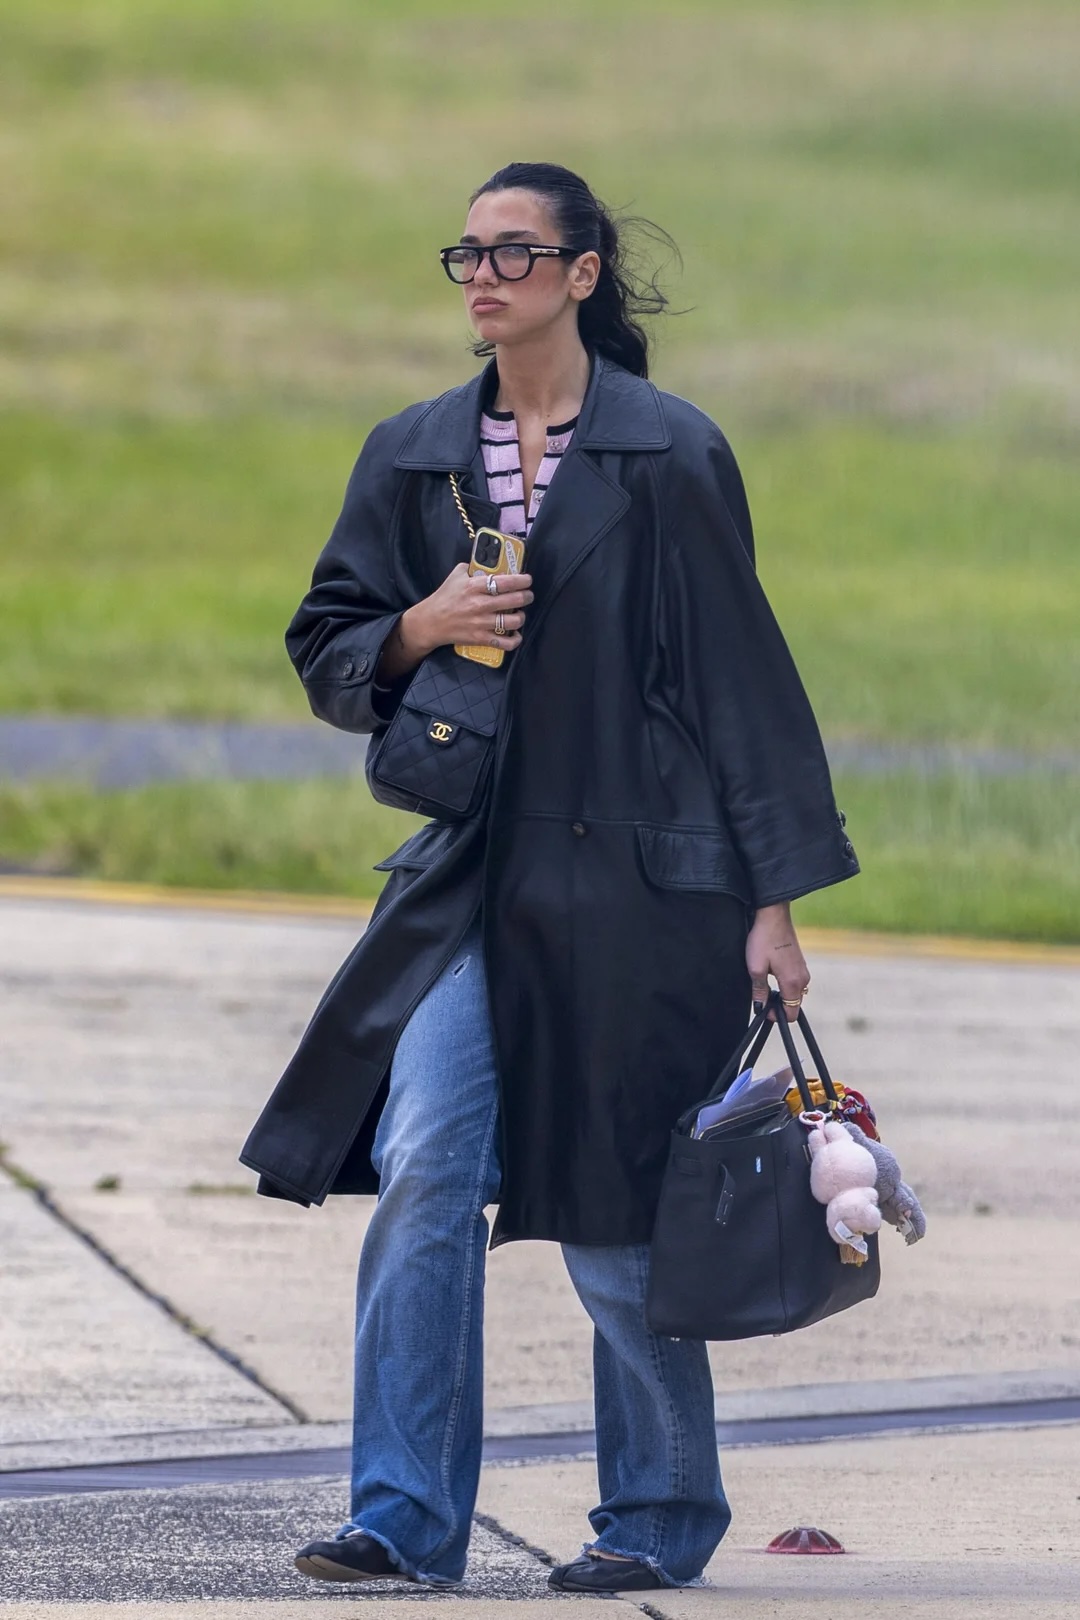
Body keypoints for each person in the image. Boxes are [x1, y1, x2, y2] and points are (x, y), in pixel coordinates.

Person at [241, 161, 859, 1593]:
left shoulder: (669, 452)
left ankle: (654, 1517)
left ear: (583, 273)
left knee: (620, 1208)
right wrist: (420, 624)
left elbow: (742, 687)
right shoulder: (411, 453)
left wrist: (772, 901)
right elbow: (329, 645)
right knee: (425, 1166)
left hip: (649, 892)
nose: (483, 274)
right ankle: (400, 1517)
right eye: (466, 252)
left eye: (515, 253)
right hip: (467, 883)